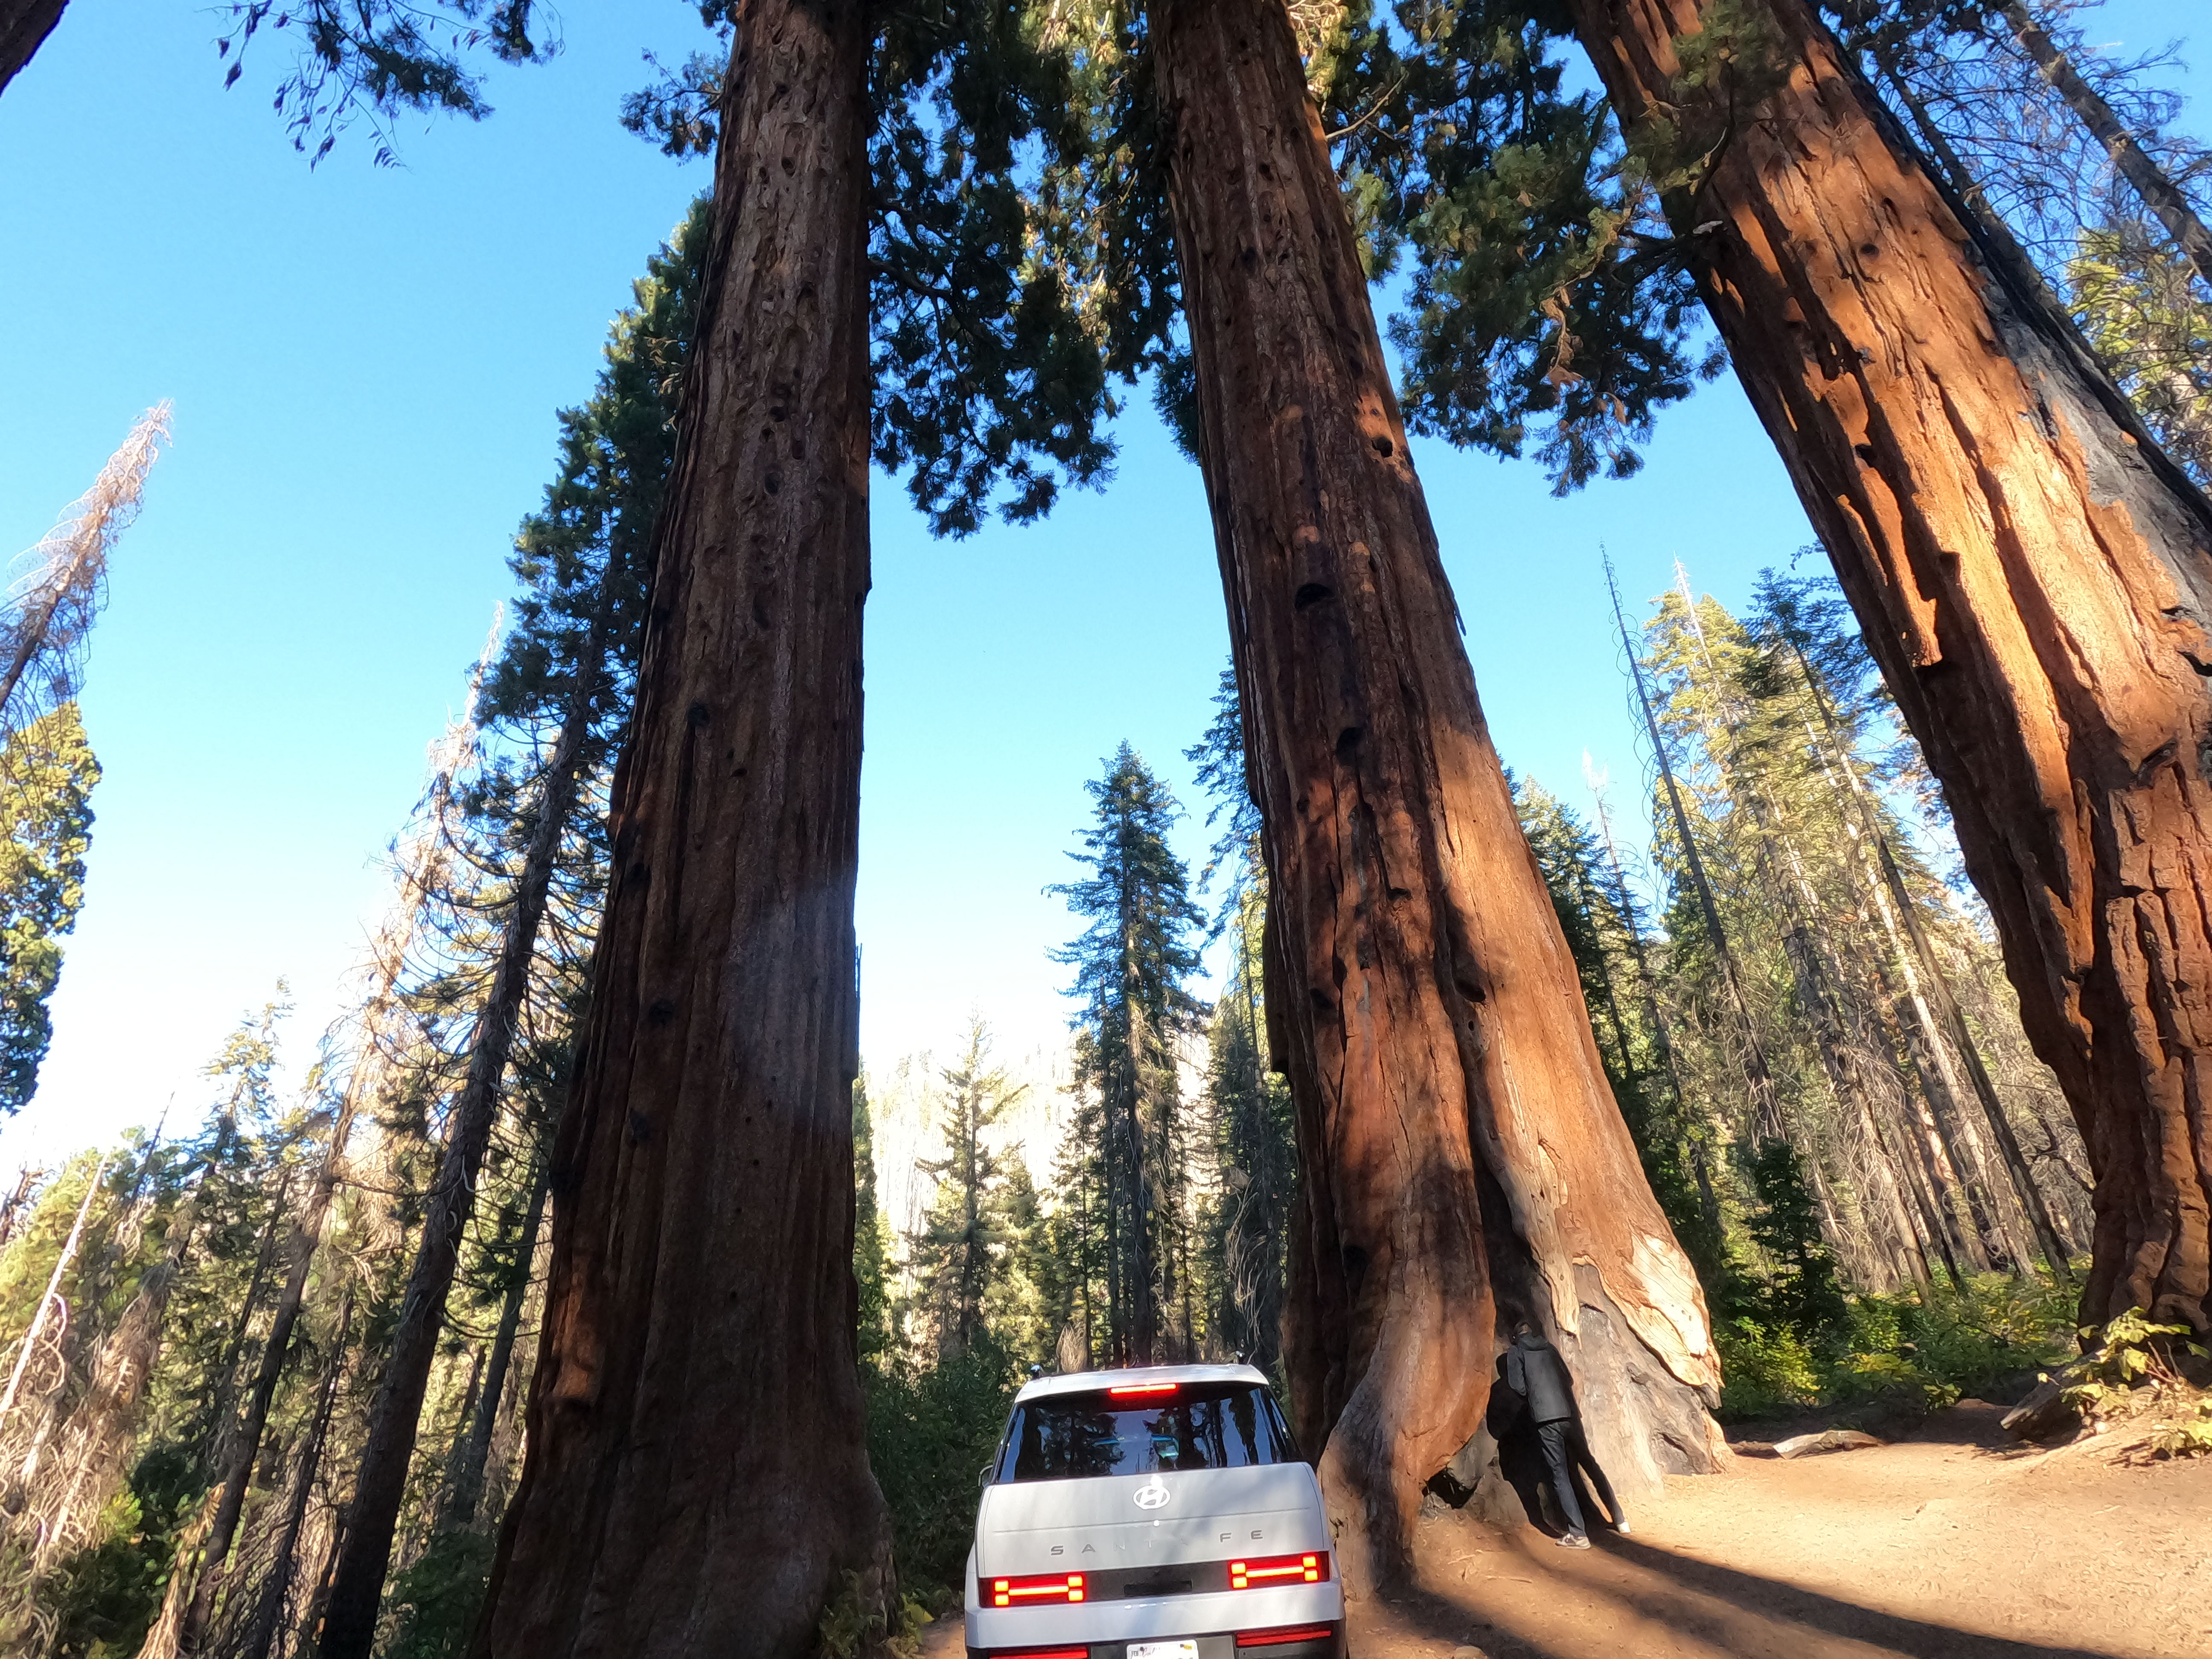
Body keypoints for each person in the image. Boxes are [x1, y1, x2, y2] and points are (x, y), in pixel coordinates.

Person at [1502, 1320, 1630, 1549]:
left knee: (1560, 1475)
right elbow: (1568, 1380)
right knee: (1589, 1464)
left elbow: (1518, 1387)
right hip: (1570, 1414)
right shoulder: (1550, 1348)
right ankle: (1620, 1519)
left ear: (1515, 1337)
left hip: (1545, 1418)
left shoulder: (1516, 1352)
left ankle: (1578, 1534)